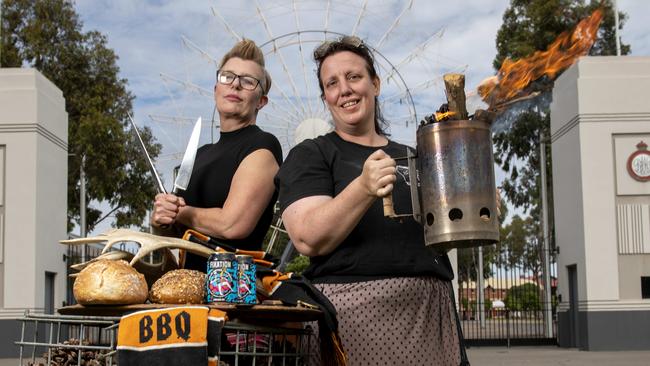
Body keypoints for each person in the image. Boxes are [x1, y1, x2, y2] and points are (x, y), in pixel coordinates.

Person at [275, 35, 461, 365]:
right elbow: (307, 236)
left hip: (431, 318)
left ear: (374, 84)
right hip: (356, 320)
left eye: (354, 77)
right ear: (325, 98)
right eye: (332, 83)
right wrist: (362, 187)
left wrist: (472, 201)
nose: (344, 89)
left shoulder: (416, 156)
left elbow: (443, 235)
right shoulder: (311, 155)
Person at [151, 39, 282, 272]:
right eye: (227, 77)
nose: (235, 85)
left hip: (234, 289)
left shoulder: (263, 146)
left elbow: (233, 225)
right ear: (216, 90)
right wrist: (161, 218)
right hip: (187, 287)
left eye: (248, 81)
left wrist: (179, 212)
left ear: (261, 102)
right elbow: (172, 235)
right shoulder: (199, 155)